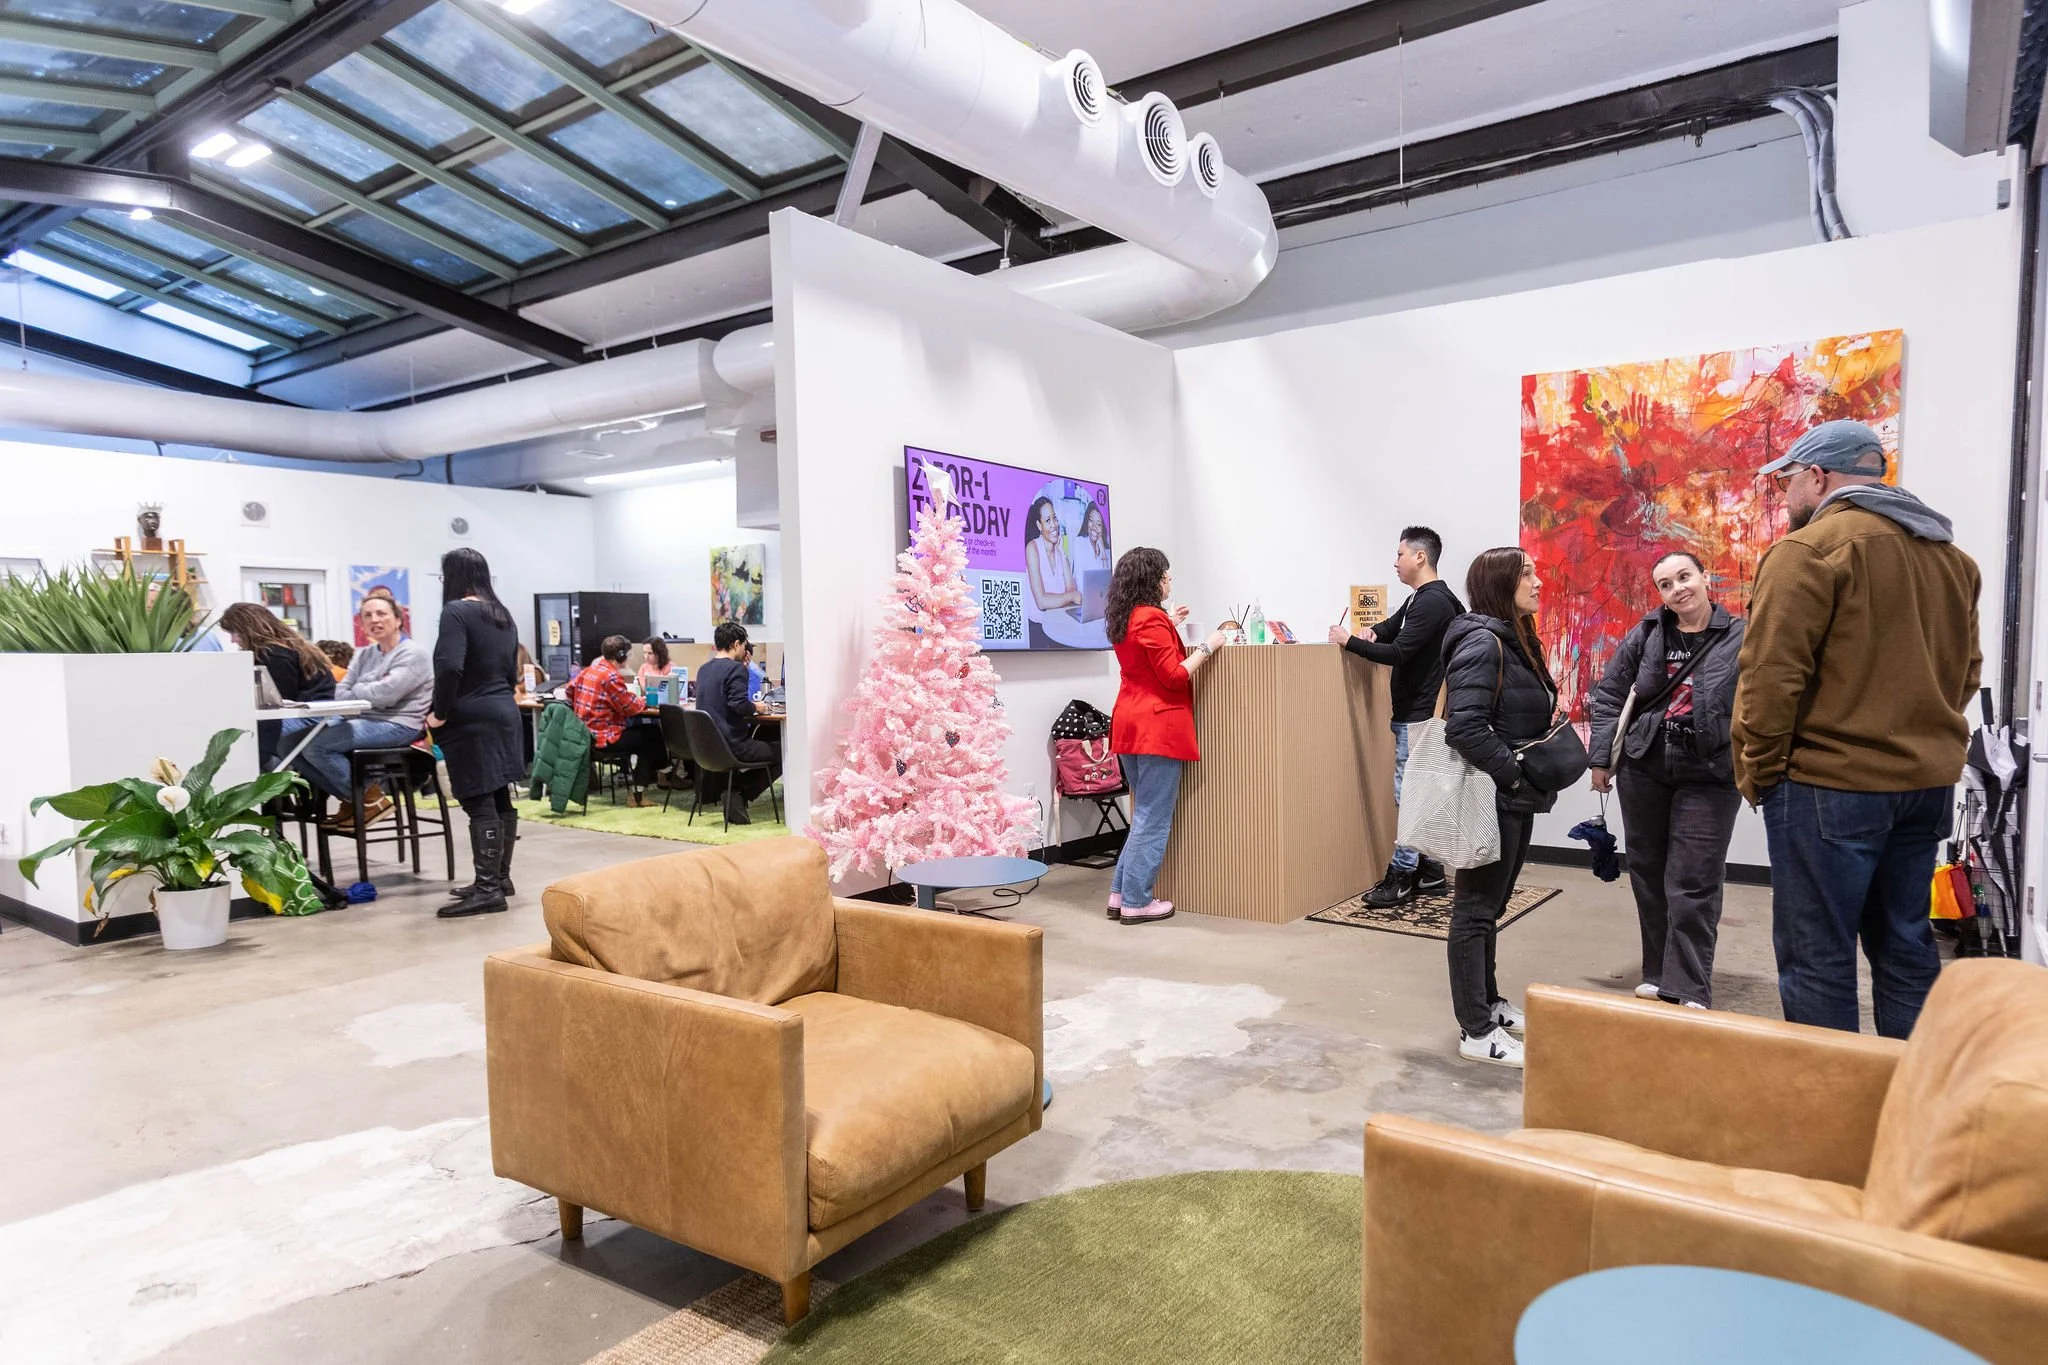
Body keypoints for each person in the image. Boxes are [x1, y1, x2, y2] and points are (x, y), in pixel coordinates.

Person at [1734, 420, 1981, 1038]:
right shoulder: (1952, 559)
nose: (1786, 496)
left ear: (1817, 477)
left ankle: (1835, 1121)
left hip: (1829, 785)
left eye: (1788, 481)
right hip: (1925, 786)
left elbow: (1769, 680)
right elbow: (1967, 672)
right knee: (1906, 946)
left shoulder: (1809, 551)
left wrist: (1761, 770)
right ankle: (1910, 1107)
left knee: (1817, 957)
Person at [1586, 551, 1745, 1010]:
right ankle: (1658, 974)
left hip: (1710, 771)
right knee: (1649, 875)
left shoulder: (1741, 636)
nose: (1678, 589)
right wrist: (1601, 760)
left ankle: (1690, 986)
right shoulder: (1650, 633)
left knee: (1693, 880)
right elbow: (1611, 694)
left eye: (1684, 577)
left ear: (1704, 577)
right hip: (1645, 764)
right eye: (1666, 584)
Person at [1441, 547, 1561, 1068]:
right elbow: (1463, 726)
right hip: (1492, 796)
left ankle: (1488, 1003)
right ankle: (1474, 1030)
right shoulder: (1483, 643)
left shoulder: (1515, 640)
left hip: (1511, 799)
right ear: (1501, 583)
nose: (1538, 580)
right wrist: (1512, 776)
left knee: (1490, 909)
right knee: (1474, 911)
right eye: (1527, 572)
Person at [1328, 526, 1464, 907]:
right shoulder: (1423, 598)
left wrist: (1349, 642)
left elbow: (1400, 652)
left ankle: (1401, 877)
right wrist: (1371, 631)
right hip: (1416, 713)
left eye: (1400, 554)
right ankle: (1433, 872)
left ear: (1420, 557)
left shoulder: (1434, 601)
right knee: (1424, 794)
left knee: (1412, 796)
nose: (1395, 561)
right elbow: (1392, 629)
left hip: (1421, 715)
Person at [1106, 548, 1231, 924]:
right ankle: (1137, 901)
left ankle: (1119, 894)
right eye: (1166, 575)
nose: (1170, 581)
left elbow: (1145, 659)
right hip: (1157, 726)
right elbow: (1174, 676)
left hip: (1129, 722)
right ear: (1152, 579)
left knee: (1142, 814)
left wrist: (1168, 623)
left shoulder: (1127, 617)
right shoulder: (1151, 619)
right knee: (1152, 818)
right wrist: (1211, 645)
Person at [428, 549, 525, 919]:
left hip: (470, 717)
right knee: (499, 793)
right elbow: (510, 671)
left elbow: (449, 668)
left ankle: (487, 890)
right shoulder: (503, 615)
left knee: (477, 799)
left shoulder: (455, 612)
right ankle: (499, 879)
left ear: (451, 577)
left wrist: (439, 713)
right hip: (503, 710)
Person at [292, 595, 433, 830]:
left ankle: (370, 798)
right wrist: (370, 689)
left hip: (399, 724)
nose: (374, 620)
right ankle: (354, 800)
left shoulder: (413, 653)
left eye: (381, 614)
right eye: (367, 615)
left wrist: (362, 690)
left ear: (398, 619)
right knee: (290, 745)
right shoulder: (365, 654)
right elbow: (341, 692)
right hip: (363, 719)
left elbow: (386, 696)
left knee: (316, 746)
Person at [221, 602, 334, 766]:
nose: (233, 640)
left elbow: (279, 702)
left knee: (247, 734)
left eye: (234, 632)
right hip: (314, 713)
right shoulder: (287, 648)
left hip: (310, 716)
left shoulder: (275, 656)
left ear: (248, 629)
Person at [694, 622, 781, 824]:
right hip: (733, 745)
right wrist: (757, 707)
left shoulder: (704, 669)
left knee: (766, 743)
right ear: (736, 644)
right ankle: (740, 791)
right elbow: (738, 705)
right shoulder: (736, 670)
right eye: (744, 645)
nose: (745, 649)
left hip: (707, 747)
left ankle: (733, 791)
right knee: (784, 751)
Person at [567, 634, 664, 807]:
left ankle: (666, 773)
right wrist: (644, 699)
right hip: (605, 739)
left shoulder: (588, 671)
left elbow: (569, 690)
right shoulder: (611, 677)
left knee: (646, 734)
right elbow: (630, 708)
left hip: (585, 736)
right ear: (621, 656)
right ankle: (640, 792)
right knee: (652, 735)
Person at [1024, 494, 1080, 647]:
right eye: (1047, 521)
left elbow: (1072, 593)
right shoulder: (1033, 548)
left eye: (1054, 518)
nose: (1054, 525)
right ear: (1039, 526)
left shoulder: (1059, 549)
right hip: (1037, 629)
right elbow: (1042, 602)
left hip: (1059, 624)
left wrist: (1063, 554)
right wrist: (1071, 596)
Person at [1071, 500, 1113, 577]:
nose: (1094, 527)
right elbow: (1079, 578)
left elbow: (1107, 580)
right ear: (1087, 521)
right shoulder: (1079, 542)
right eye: (1091, 520)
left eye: (1099, 524)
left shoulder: (1107, 551)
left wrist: (1103, 552)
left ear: (1103, 528)